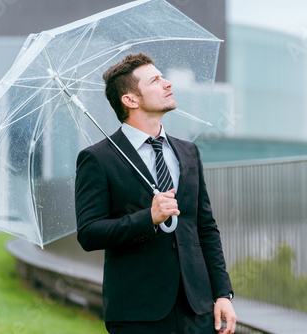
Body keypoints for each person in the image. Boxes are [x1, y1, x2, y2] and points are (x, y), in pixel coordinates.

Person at [75, 52, 236, 334]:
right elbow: (89, 233)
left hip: (197, 308)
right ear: (131, 100)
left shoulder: (188, 152)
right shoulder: (97, 158)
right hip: (138, 312)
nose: (168, 83)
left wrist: (223, 293)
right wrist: (147, 217)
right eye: (156, 80)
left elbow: (205, 228)